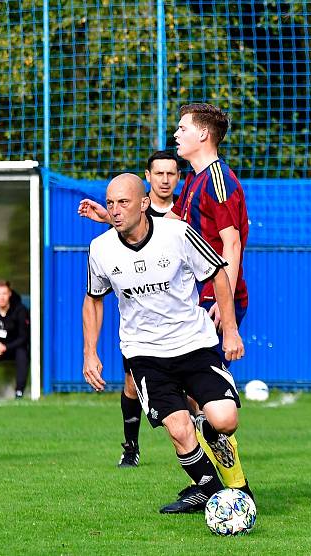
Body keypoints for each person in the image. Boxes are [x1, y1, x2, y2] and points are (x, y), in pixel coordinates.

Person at [78, 103, 251, 506]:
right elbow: (145, 228)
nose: (175, 134)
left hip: (198, 324)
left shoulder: (216, 181)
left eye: (182, 127)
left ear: (203, 135)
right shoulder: (191, 183)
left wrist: (226, 320)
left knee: (220, 419)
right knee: (180, 425)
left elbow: (229, 245)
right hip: (145, 350)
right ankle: (224, 492)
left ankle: (222, 484)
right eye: (113, 202)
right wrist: (112, 218)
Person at [117, 150, 182, 468]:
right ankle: (130, 446)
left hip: (179, 324)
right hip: (139, 323)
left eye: (171, 173)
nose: (165, 179)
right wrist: (106, 215)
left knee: (193, 390)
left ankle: (197, 448)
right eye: (159, 173)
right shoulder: (136, 211)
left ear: (178, 177)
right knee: (131, 384)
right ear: (148, 177)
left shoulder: (185, 213)